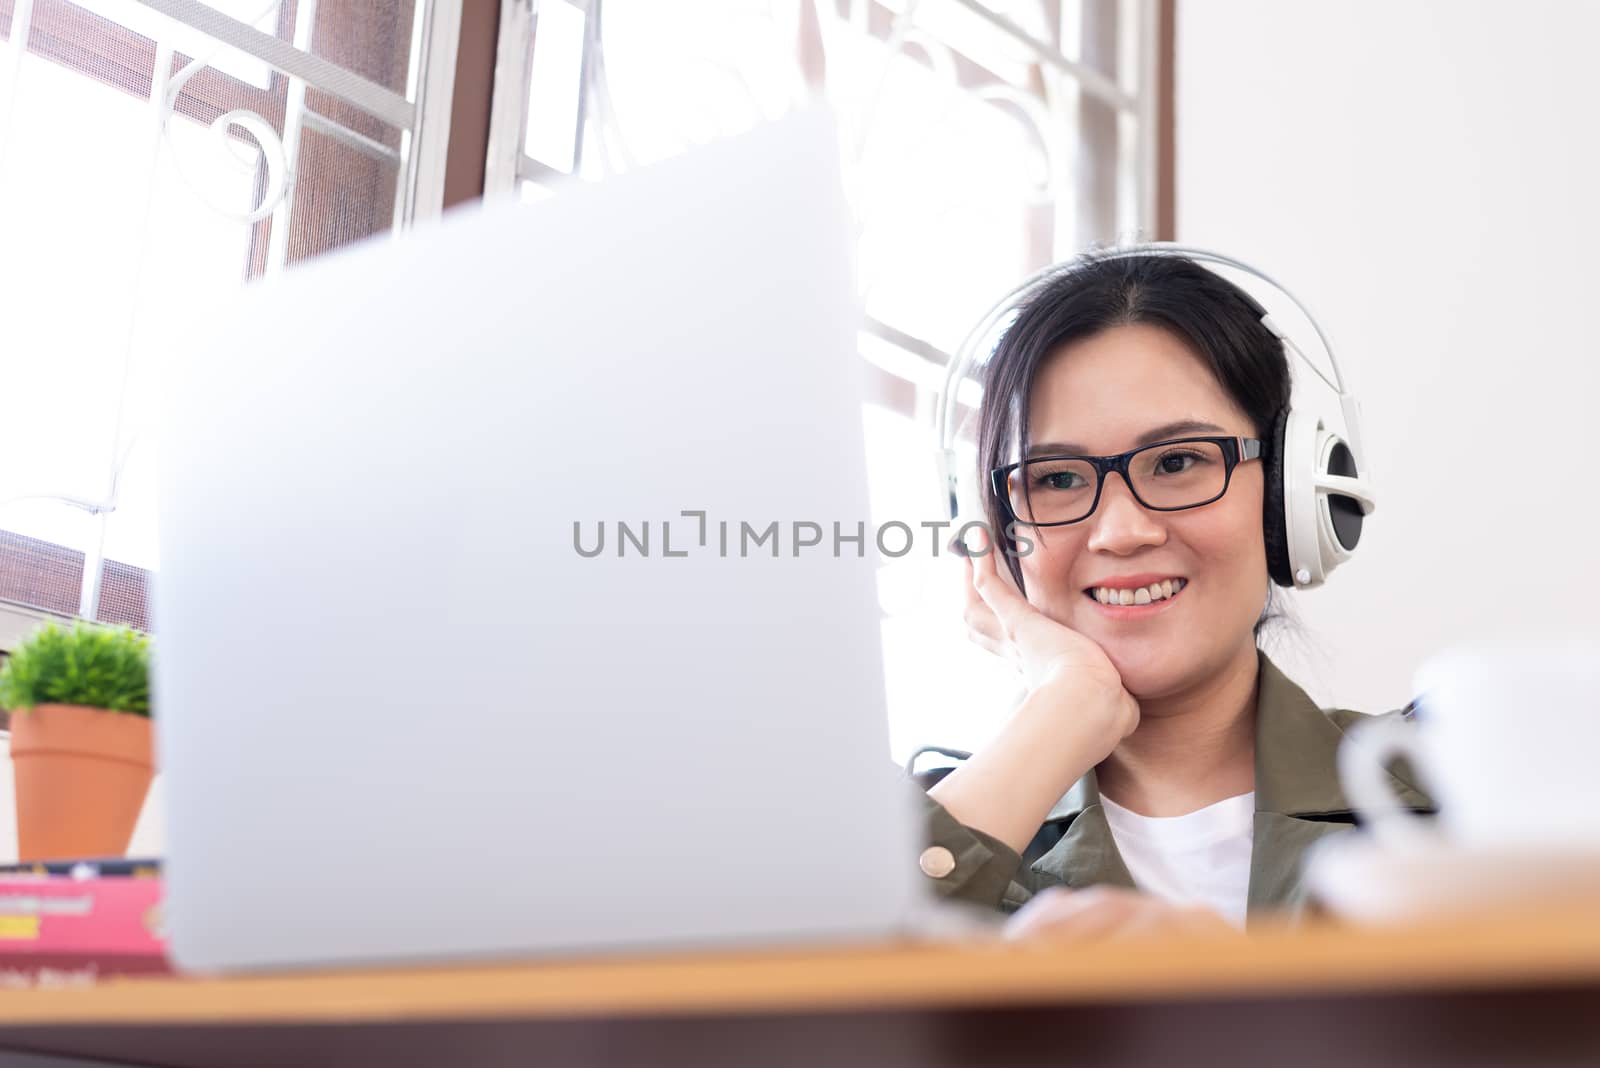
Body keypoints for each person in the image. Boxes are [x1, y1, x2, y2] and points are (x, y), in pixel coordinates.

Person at [912, 250, 1432, 940]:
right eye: (1057, 479)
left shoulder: (1462, 780)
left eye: (1179, 462)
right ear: (995, 534)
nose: (1122, 532)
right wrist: (1069, 703)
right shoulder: (921, 828)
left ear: (1290, 494)